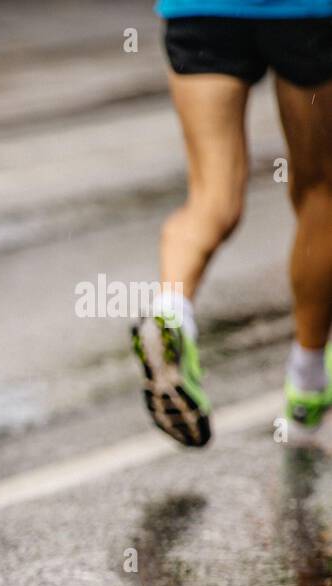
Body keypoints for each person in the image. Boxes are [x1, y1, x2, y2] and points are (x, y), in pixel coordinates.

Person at [132, 0, 332, 446]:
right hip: (306, 14)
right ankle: (308, 382)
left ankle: (171, 314)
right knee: (320, 192)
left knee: (211, 199)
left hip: (202, 10)